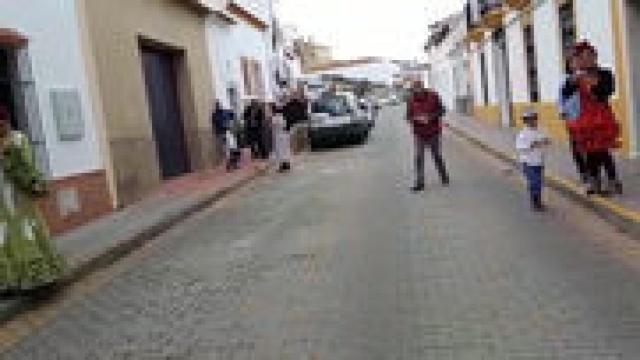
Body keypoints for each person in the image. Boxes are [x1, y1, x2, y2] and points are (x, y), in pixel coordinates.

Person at [0, 105, 66, 293]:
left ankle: (41, 277)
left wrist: (9, 156)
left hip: (20, 195)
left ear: (7, 122)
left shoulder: (19, 139)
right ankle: (12, 280)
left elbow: (28, 166)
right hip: (2, 200)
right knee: (4, 237)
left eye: (2, 123)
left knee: (27, 230)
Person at [566, 41, 622, 196]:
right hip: (585, 118)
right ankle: (594, 181)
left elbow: (607, 92)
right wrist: (572, 81)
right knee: (589, 150)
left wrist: (592, 84)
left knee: (603, 150)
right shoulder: (576, 76)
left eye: (589, 56)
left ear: (595, 57)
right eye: (582, 57)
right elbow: (567, 93)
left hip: (601, 117)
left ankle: (613, 181)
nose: (586, 60)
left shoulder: (605, 73)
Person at [406, 80, 450, 192]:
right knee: (419, 157)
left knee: (436, 156)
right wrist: (416, 119)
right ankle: (420, 183)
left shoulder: (433, 96)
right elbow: (408, 116)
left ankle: (444, 176)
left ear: (423, 88)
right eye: (415, 91)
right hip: (419, 133)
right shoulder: (410, 100)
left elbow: (442, 110)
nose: (417, 92)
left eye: (419, 90)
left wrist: (430, 117)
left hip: (433, 131)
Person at [559, 57, 588, 186]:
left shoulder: (585, 76)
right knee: (576, 146)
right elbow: (560, 97)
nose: (575, 64)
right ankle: (583, 172)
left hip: (587, 116)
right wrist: (562, 112)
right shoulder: (565, 79)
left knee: (588, 144)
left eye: (577, 61)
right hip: (572, 116)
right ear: (568, 65)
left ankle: (591, 171)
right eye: (572, 62)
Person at [516, 110, 551, 211]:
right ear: (525, 121)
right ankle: (535, 202)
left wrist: (545, 141)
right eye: (529, 120)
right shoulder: (522, 134)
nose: (531, 121)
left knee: (539, 182)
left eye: (533, 119)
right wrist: (532, 144)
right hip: (528, 162)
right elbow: (520, 147)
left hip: (539, 161)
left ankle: (537, 200)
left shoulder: (541, 130)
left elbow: (548, 139)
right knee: (534, 182)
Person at [281, 89, 309, 171]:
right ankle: (293, 161)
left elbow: (285, 115)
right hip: (297, 125)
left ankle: (292, 161)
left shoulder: (293, 105)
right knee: (296, 145)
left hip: (295, 126)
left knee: (294, 145)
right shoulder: (297, 104)